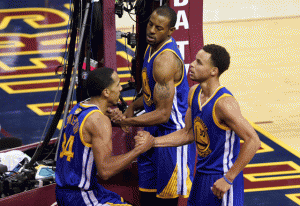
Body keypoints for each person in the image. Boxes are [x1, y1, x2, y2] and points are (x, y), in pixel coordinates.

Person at [151, 44, 261, 205]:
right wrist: (153, 142)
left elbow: (254, 140)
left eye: (199, 62)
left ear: (213, 71)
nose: (192, 65)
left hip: (222, 178)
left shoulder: (224, 104)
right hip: (201, 174)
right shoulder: (194, 92)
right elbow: (188, 134)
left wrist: (229, 178)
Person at [111, 5, 196, 206]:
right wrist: (131, 107)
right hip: (151, 132)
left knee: (165, 202)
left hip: (171, 136)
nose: (151, 30)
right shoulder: (151, 47)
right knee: (147, 197)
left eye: (159, 28)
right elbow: (150, 93)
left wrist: (128, 121)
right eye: (150, 24)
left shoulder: (165, 60)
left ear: (170, 31)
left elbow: (163, 114)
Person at [55, 67, 154, 206]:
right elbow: (105, 171)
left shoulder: (78, 108)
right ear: (106, 92)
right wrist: (139, 149)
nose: (120, 88)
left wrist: (113, 119)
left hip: (64, 191)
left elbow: (89, 128)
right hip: (81, 196)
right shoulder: (99, 121)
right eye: (118, 85)